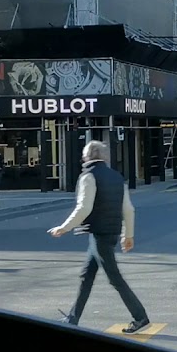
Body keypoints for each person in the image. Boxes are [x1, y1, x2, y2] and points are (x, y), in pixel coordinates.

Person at [49, 140, 150, 334]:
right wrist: (128, 235)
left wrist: (64, 227)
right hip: (110, 232)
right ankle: (73, 317)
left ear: (87, 157)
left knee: (114, 278)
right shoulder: (116, 177)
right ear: (104, 157)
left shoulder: (88, 176)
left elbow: (84, 208)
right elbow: (128, 209)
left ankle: (140, 316)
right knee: (86, 276)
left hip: (99, 234)